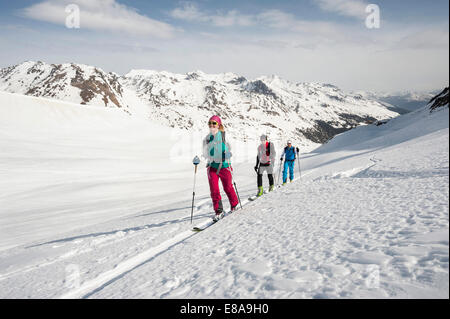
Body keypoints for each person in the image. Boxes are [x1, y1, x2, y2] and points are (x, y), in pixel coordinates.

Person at [203, 115, 239, 221]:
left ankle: (234, 204)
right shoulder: (207, 139)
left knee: (228, 187)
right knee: (214, 190)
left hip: (224, 167)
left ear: (219, 125)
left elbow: (232, 150)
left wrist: (228, 154)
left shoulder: (225, 136)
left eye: (214, 123)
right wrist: (202, 158)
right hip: (212, 167)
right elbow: (205, 153)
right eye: (210, 123)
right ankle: (219, 211)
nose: (212, 125)